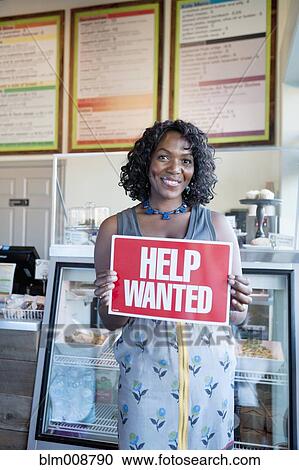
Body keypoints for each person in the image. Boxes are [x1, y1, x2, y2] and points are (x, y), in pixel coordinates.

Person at [94, 119, 252, 450]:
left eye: (186, 160)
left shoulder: (216, 226)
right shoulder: (115, 228)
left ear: (196, 170)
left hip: (208, 384)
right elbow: (110, 320)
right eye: (164, 157)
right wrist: (107, 297)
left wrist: (239, 303)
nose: (175, 169)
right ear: (147, 161)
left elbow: (234, 319)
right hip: (144, 383)